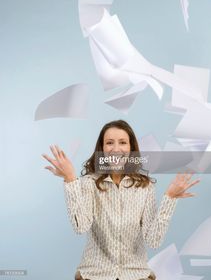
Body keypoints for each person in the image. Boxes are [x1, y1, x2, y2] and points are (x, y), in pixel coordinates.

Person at [42, 120, 200, 280]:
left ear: (131, 149)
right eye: (109, 143)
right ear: (102, 149)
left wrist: (170, 198)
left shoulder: (145, 187)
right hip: (94, 275)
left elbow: (153, 241)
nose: (116, 149)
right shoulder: (89, 183)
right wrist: (70, 179)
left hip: (136, 274)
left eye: (123, 143)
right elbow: (80, 227)